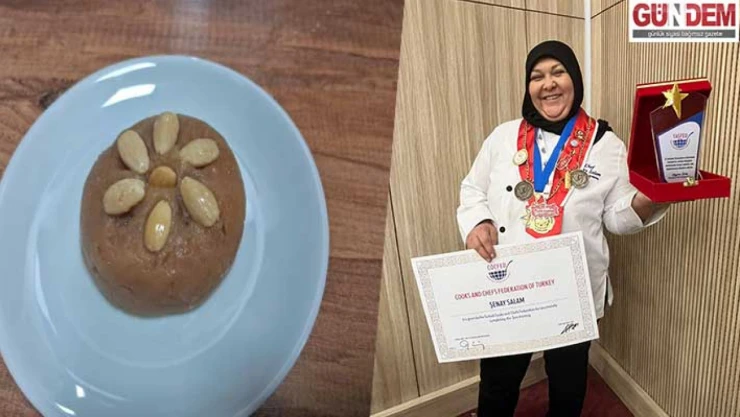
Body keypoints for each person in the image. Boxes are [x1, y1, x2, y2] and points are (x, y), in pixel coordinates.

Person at [456, 40, 669, 417]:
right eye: (537, 76)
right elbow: (472, 188)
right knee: (498, 380)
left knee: (568, 380)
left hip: (572, 286)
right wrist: (479, 222)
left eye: (558, 72)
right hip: (510, 285)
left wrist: (653, 198)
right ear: (528, 87)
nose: (548, 84)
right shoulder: (503, 137)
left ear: (575, 80)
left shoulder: (605, 144)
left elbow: (616, 217)